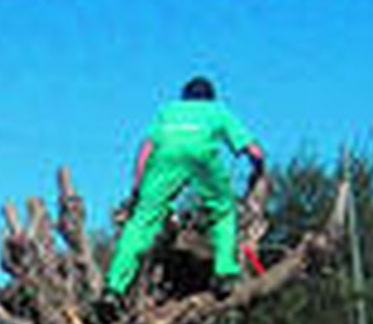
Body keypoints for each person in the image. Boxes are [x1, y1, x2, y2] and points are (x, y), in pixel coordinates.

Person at [105, 75, 267, 296]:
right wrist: (259, 168)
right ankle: (224, 273)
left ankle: (114, 287)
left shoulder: (168, 111)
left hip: (164, 159)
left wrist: (138, 187)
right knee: (223, 210)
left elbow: (146, 150)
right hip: (201, 157)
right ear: (210, 98)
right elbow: (255, 151)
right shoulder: (217, 111)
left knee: (141, 222)